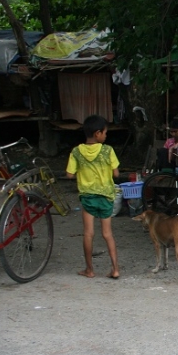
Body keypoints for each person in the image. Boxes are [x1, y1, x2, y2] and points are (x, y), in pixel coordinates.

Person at [66, 114, 121, 279]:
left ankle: (89, 270)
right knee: (107, 234)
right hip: (106, 197)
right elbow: (116, 173)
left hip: (88, 197)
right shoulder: (108, 150)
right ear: (97, 133)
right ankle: (115, 269)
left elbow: (69, 175)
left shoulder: (76, 152)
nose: (106, 135)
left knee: (88, 233)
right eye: (105, 133)